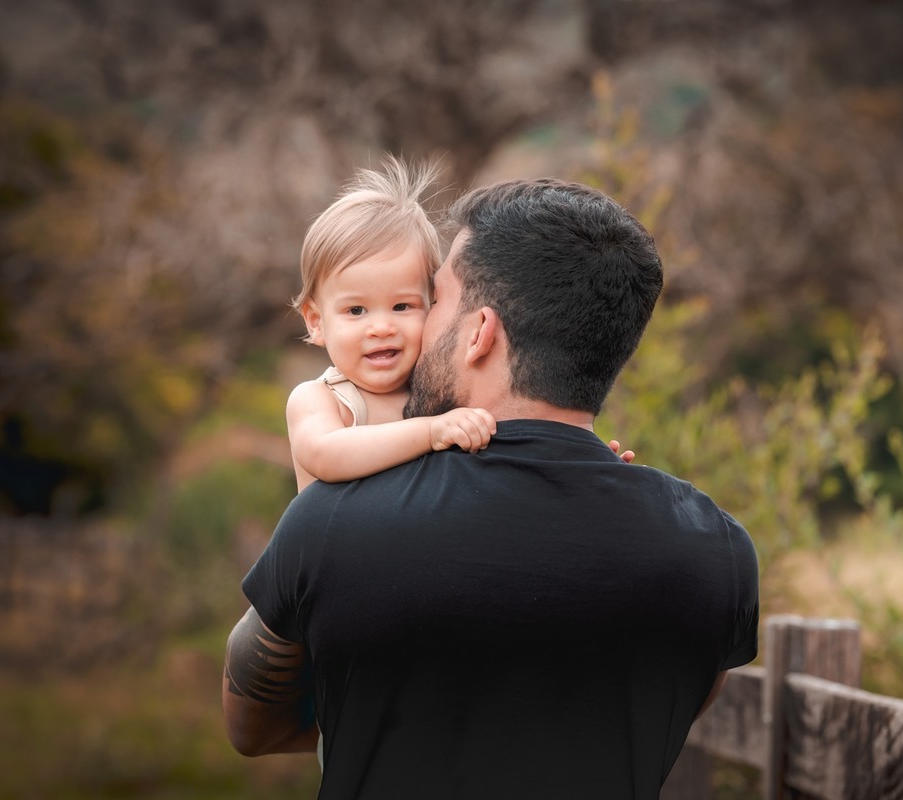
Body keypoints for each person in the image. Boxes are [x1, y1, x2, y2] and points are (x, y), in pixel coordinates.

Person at [223, 177, 760, 800]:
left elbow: (251, 729)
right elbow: (673, 706)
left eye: (430, 301)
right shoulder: (716, 551)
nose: (406, 332)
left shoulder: (336, 521)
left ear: (479, 332)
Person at [286, 157, 497, 493]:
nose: (382, 327)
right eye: (356, 311)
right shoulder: (323, 400)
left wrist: (572, 467)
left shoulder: (441, 392)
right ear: (316, 322)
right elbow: (325, 454)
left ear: (432, 305)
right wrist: (430, 432)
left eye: (402, 306)